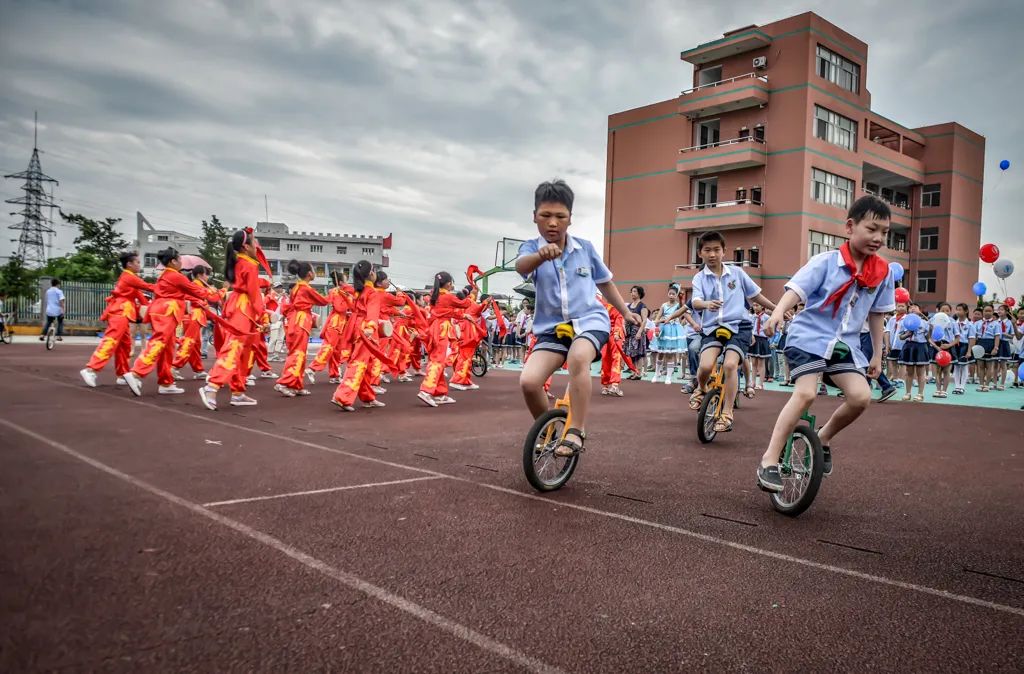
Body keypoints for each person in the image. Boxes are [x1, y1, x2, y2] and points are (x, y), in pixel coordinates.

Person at [757, 195, 895, 491]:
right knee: (806, 393)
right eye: (872, 229)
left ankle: (823, 437)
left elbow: (876, 315)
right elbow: (796, 289)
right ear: (850, 227)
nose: (878, 238)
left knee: (861, 397)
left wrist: (877, 357)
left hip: (844, 346)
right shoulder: (826, 262)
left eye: (884, 232)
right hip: (808, 337)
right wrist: (779, 312)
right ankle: (769, 460)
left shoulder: (883, 273)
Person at [516, 179, 640, 457]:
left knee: (578, 358)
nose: (552, 223)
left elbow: (605, 282)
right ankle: (546, 428)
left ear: (570, 219)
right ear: (534, 216)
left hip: (590, 321)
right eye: (545, 215)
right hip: (552, 329)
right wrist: (539, 256)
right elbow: (521, 266)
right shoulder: (530, 248)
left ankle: (576, 429)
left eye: (560, 216)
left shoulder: (584, 248)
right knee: (529, 381)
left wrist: (625, 312)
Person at [687, 231, 776, 432]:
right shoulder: (699, 278)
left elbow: (756, 296)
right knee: (705, 366)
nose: (712, 254)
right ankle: (701, 389)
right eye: (707, 250)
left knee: (729, 365)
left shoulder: (737, 273)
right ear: (700, 253)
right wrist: (706, 304)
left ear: (724, 251)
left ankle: (727, 413)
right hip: (712, 328)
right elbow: (695, 301)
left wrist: (776, 309)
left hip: (739, 326)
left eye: (716, 250)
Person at [122, 248, 219, 396]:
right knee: (160, 342)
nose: (181, 262)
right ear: (173, 261)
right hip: (167, 311)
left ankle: (166, 382)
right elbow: (197, 292)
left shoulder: (166, 275)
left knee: (167, 347)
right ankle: (136, 373)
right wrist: (215, 292)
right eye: (179, 259)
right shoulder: (175, 276)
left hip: (162, 310)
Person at [199, 229, 270, 410]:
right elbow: (255, 295)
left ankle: (237, 392)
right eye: (255, 242)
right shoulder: (249, 264)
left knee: (242, 353)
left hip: (239, 307)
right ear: (246, 246)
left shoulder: (241, 262)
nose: (257, 246)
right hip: (244, 309)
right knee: (234, 349)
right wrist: (264, 318)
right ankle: (212, 386)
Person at [80, 252, 154, 387]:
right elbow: (148, 287)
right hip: (120, 312)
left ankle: (122, 374)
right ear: (129, 264)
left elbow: (142, 297)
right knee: (111, 340)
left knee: (124, 346)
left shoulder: (130, 278)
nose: (139, 264)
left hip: (124, 313)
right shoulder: (129, 276)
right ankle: (91, 369)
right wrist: (170, 288)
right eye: (137, 262)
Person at [331, 260, 393, 411]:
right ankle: (342, 396)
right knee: (359, 362)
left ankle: (367, 397)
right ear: (371, 274)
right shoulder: (371, 292)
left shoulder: (359, 291)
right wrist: (371, 327)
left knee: (365, 365)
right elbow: (372, 311)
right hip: (365, 328)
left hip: (355, 326)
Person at [274, 261, 329, 397]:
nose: (315, 272)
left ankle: (297, 385)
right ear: (310, 274)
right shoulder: (306, 288)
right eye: (314, 270)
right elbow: (323, 301)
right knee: (297, 354)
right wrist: (335, 294)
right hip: (301, 321)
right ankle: (283, 382)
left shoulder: (297, 287)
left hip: (295, 320)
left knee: (299, 354)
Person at [171, 265, 219, 380]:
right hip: (193, 317)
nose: (208, 277)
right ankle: (174, 366)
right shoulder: (195, 285)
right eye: (206, 274)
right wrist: (215, 292)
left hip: (195, 316)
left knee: (195, 344)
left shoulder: (199, 285)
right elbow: (187, 296)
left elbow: (210, 298)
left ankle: (198, 370)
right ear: (200, 275)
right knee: (189, 342)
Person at [651, 284, 685, 384]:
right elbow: (658, 317)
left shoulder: (678, 305)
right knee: (660, 352)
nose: (671, 295)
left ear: (676, 295)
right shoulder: (664, 305)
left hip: (674, 330)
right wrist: (657, 324)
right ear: (667, 294)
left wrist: (681, 299)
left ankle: (669, 377)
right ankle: (656, 374)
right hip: (664, 329)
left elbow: (683, 310)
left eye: (673, 294)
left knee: (670, 353)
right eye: (670, 293)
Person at [623, 286, 649, 380]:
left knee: (638, 353)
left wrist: (639, 332)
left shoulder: (642, 306)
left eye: (634, 291)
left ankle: (639, 373)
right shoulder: (629, 306)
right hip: (629, 333)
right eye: (631, 291)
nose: (632, 293)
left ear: (639, 293)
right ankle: (634, 372)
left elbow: (644, 320)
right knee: (631, 353)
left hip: (637, 331)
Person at [974, 303, 1001, 392]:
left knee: (989, 366)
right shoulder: (978, 323)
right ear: (983, 312)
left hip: (990, 343)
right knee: (980, 366)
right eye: (986, 311)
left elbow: (997, 337)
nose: (987, 313)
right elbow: (974, 336)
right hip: (980, 343)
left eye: (990, 311)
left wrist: (995, 348)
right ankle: (981, 384)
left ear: (993, 312)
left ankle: (987, 385)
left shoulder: (996, 324)